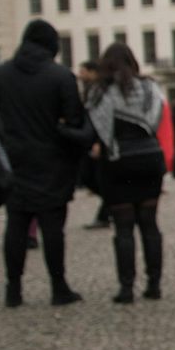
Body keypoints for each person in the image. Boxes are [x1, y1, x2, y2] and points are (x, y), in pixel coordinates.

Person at [0, 18, 87, 307]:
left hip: (15, 160)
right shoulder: (60, 76)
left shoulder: (2, 74)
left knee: (16, 226)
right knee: (52, 228)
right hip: (51, 160)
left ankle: (13, 288)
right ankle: (58, 287)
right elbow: (75, 122)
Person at [87, 43, 169, 303]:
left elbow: (99, 127)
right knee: (150, 224)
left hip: (119, 160)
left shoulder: (100, 91)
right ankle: (154, 285)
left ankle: (126, 288)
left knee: (123, 229)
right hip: (150, 158)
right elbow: (157, 119)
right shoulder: (150, 87)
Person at [75, 59, 111, 230]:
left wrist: (98, 141)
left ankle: (108, 209)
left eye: (82, 71)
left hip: (97, 140)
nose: (80, 75)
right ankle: (110, 206)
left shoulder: (99, 90)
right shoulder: (89, 89)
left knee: (95, 177)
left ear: (92, 72)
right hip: (90, 139)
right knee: (90, 177)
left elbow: (100, 117)